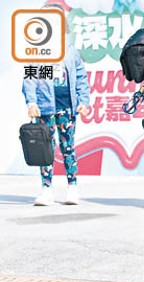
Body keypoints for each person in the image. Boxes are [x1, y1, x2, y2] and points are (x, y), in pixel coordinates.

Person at [22, 4, 90, 206]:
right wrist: (31, 102)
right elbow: (30, 79)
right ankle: (46, 189)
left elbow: (81, 79)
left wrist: (83, 101)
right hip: (45, 107)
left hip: (67, 107)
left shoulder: (71, 52)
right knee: (46, 149)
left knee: (68, 147)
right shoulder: (37, 51)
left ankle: (72, 187)